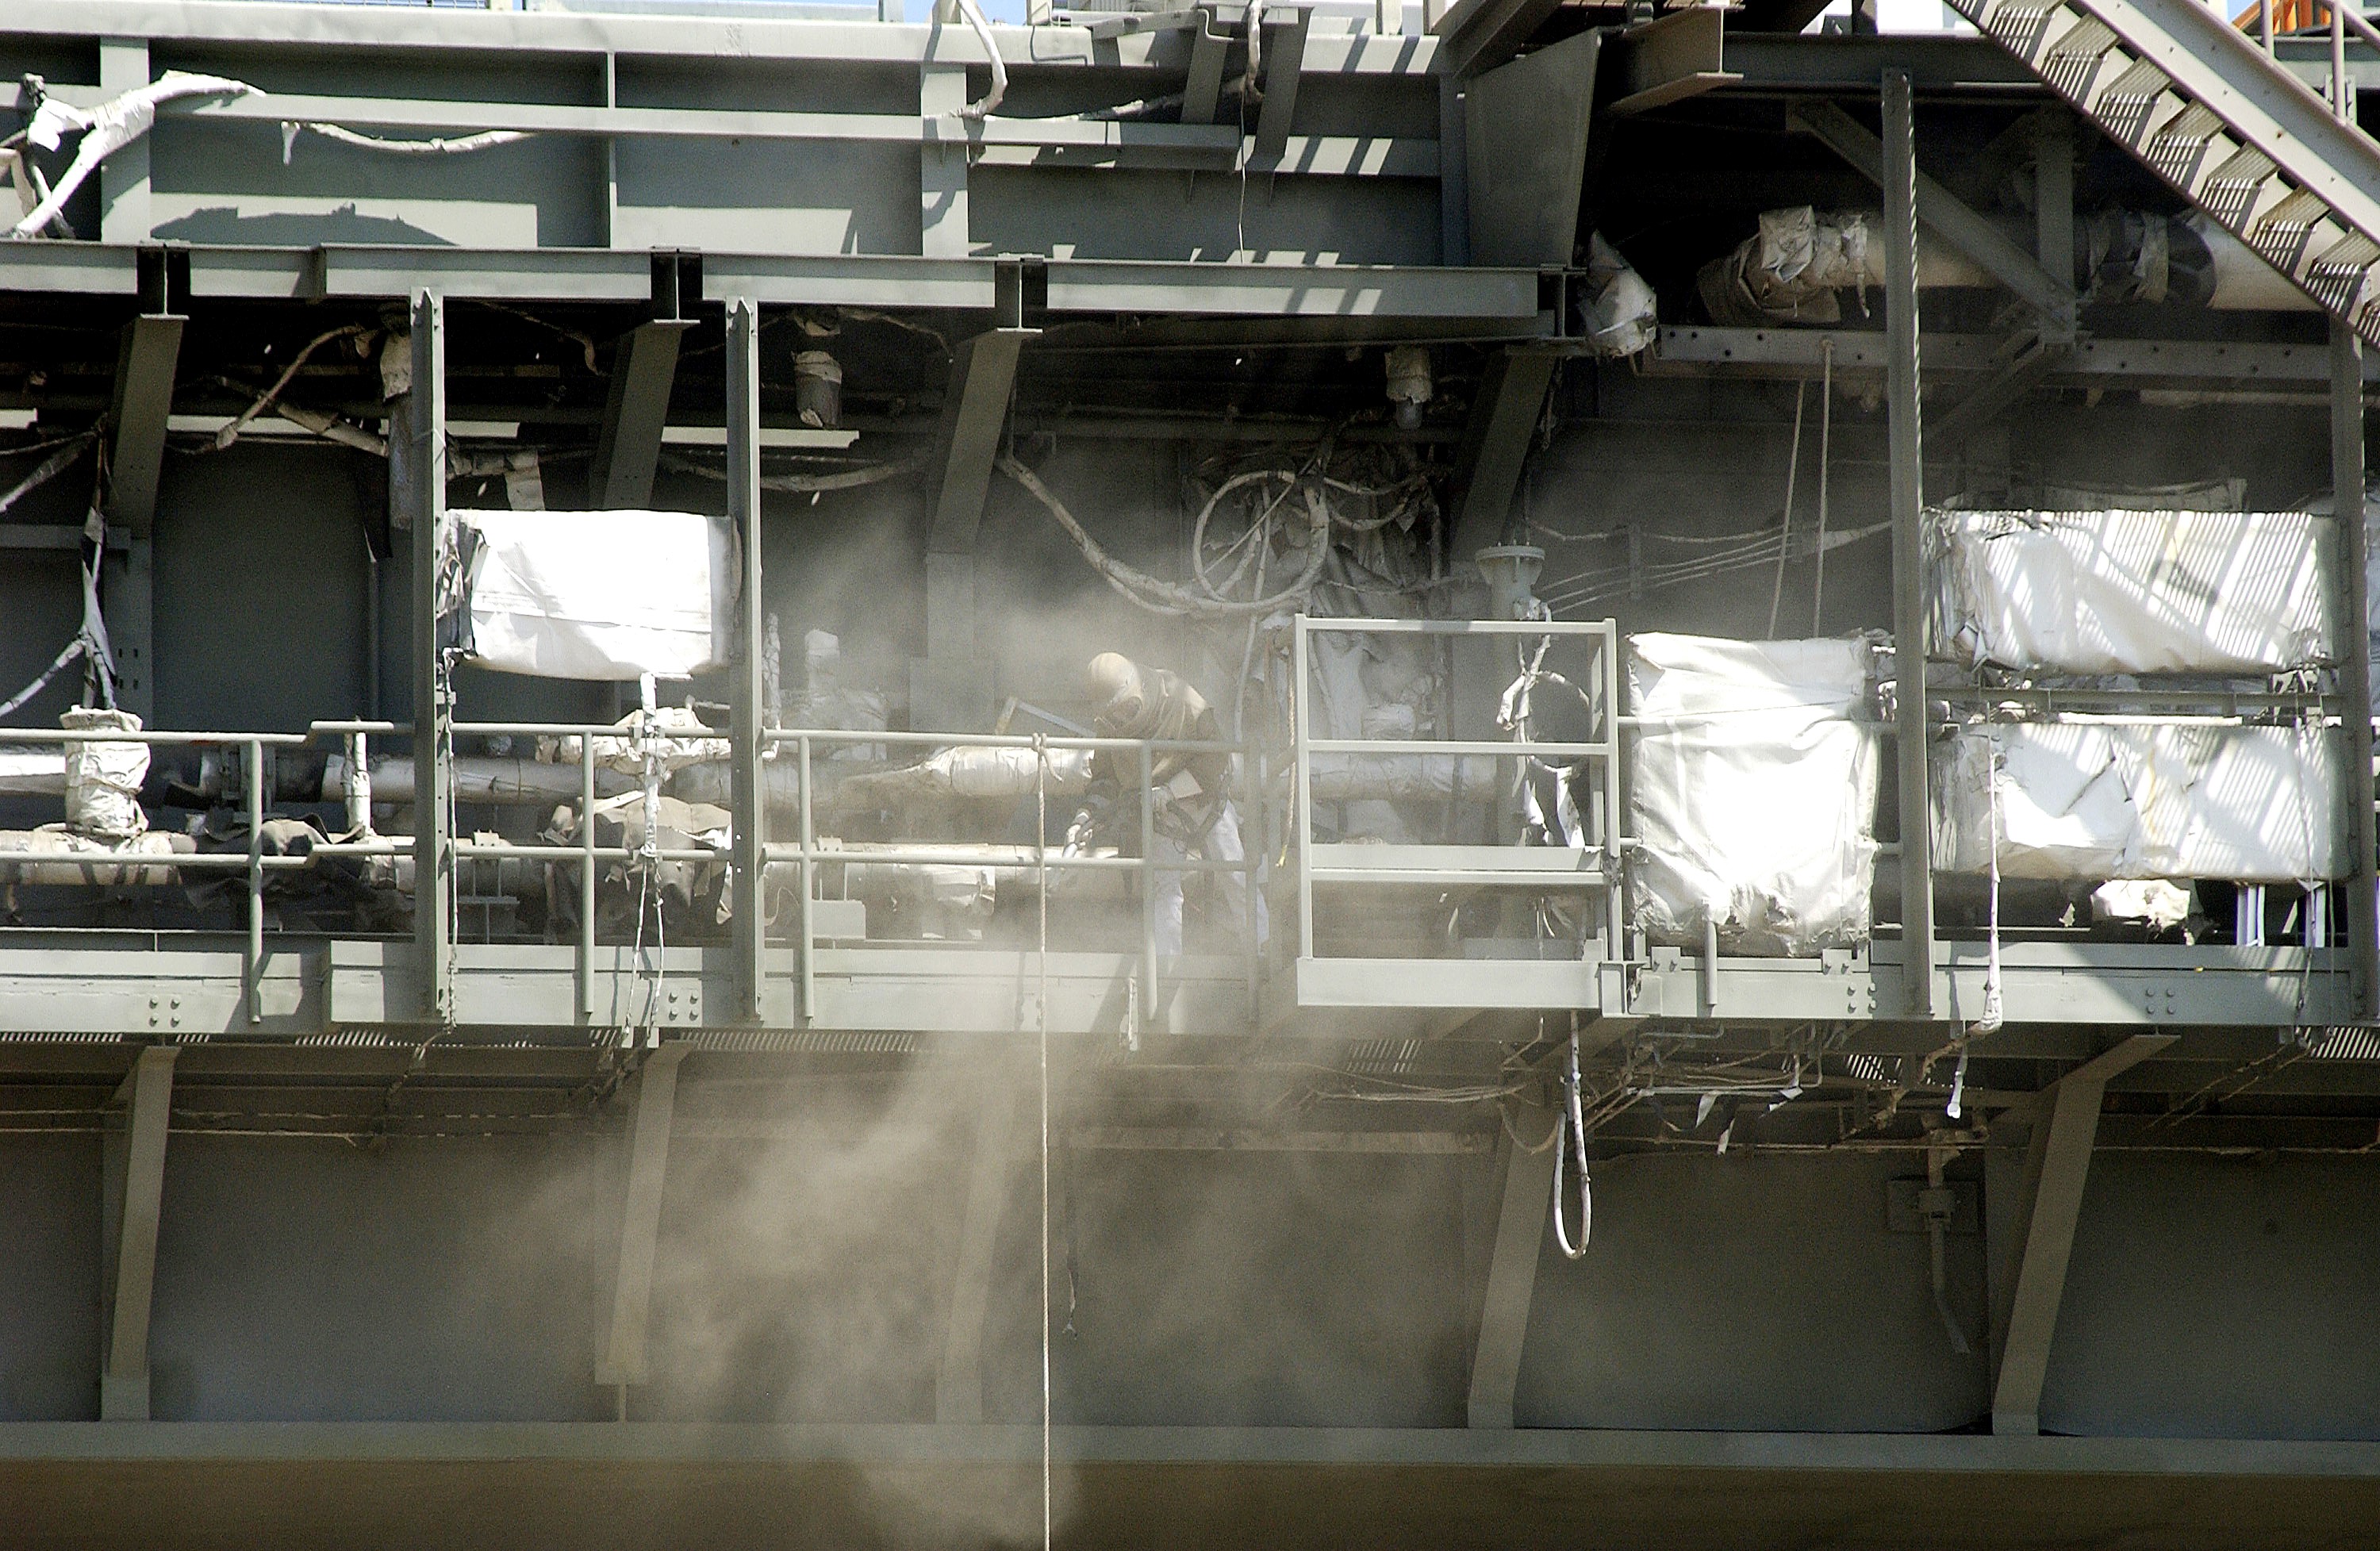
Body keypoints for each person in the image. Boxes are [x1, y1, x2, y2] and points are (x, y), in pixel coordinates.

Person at [1069, 652, 1267, 959]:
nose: (1124, 721)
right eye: (1115, 716)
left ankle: (1262, 949)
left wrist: (1172, 791)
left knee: (1236, 872)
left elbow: (1216, 759)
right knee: (1163, 889)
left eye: (1128, 710)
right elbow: (1105, 778)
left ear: (1140, 691)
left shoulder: (1184, 702)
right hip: (1158, 815)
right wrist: (1085, 816)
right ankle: (1166, 965)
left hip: (1204, 800)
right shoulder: (1110, 732)